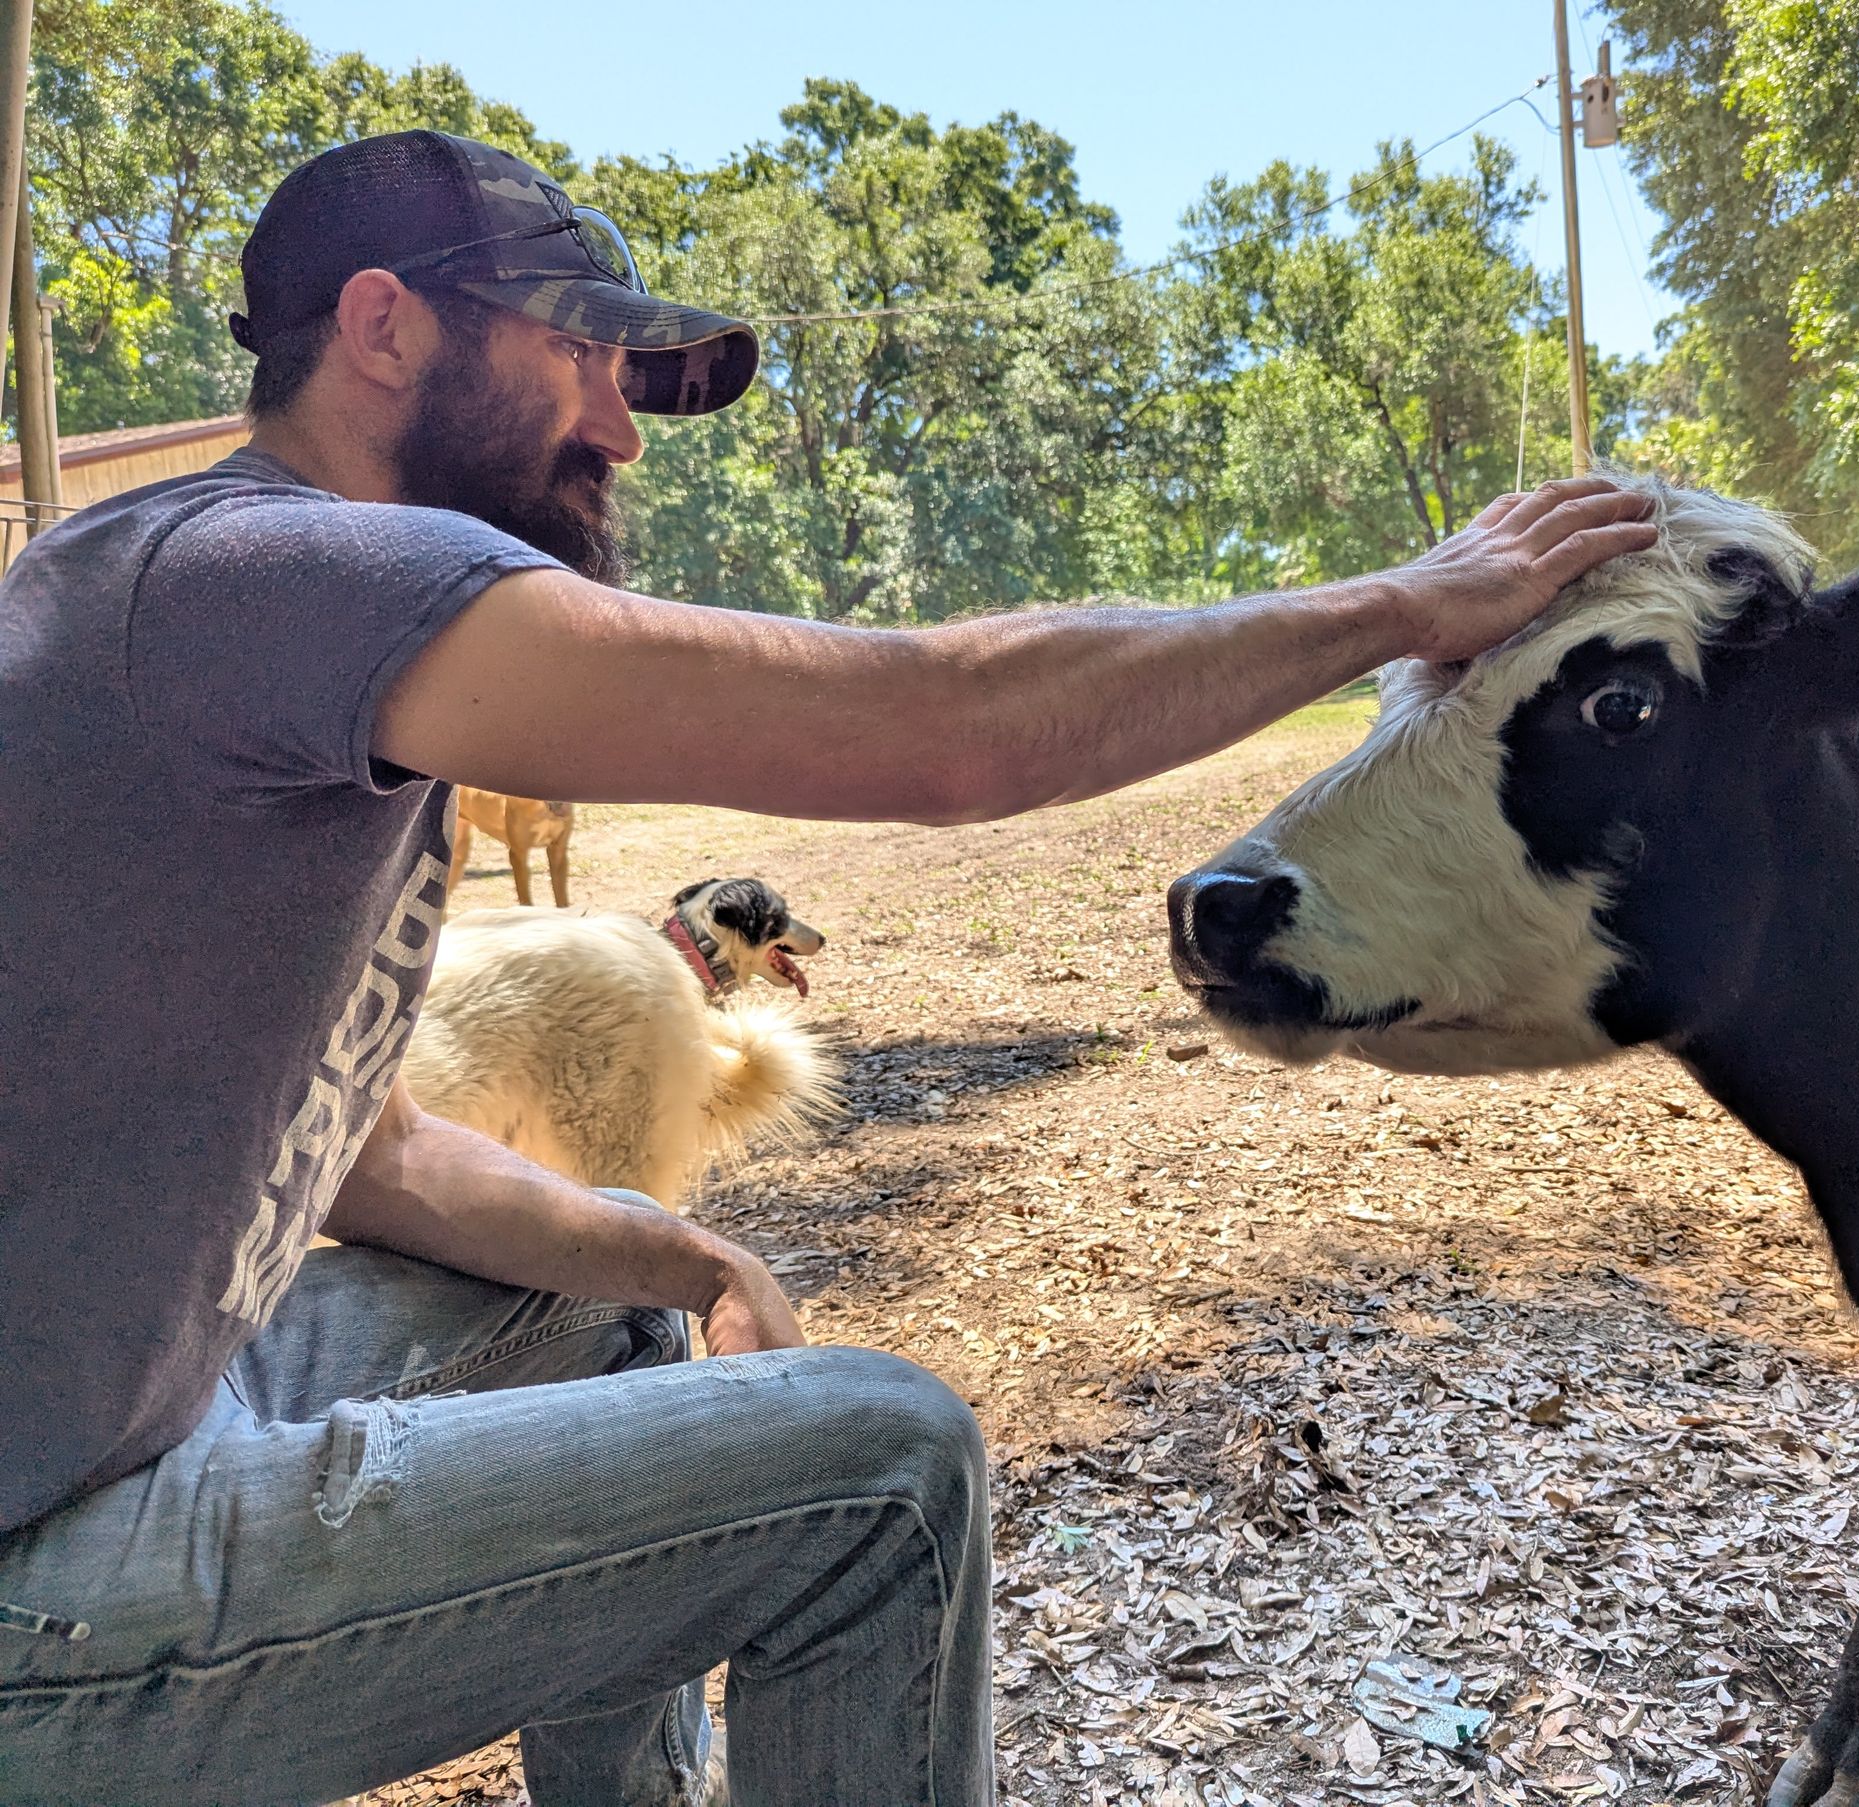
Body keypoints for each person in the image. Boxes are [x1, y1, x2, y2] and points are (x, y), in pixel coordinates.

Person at [0, 130, 1657, 1806]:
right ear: (383, 327)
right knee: (888, 1474)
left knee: (606, 1310)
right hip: (39, 1584)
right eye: (580, 346)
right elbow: (942, 730)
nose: (619, 422)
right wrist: (1404, 603)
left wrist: (688, 1252)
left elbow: (372, 1154)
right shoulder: (246, 569)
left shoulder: (253, 651)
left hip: (137, 1418)